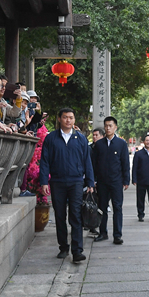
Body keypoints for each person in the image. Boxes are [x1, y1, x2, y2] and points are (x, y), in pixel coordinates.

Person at [39, 108, 94, 263]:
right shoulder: (51, 138)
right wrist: (44, 181)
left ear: (74, 120)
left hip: (76, 181)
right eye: (65, 117)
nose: (68, 120)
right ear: (59, 119)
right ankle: (63, 247)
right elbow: (45, 161)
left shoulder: (81, 139)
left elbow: (87, 161)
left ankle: (77, 251)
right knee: (60, 215)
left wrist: (90, 181)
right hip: (57, 182)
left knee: (75, 215)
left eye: (71, 117)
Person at [93, 116, 130, 244]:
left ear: (115, 127)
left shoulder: (121, 143)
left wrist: (126, 180)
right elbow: (94, 164)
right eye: (106, 126)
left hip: (116, 182)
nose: (108, 128)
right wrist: (93, 180)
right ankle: (103, 233)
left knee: (117, 208)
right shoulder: (99, 144)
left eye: (110, 126)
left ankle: (117, 235)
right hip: (102, 182)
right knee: (102, 208)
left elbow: (125, 163)